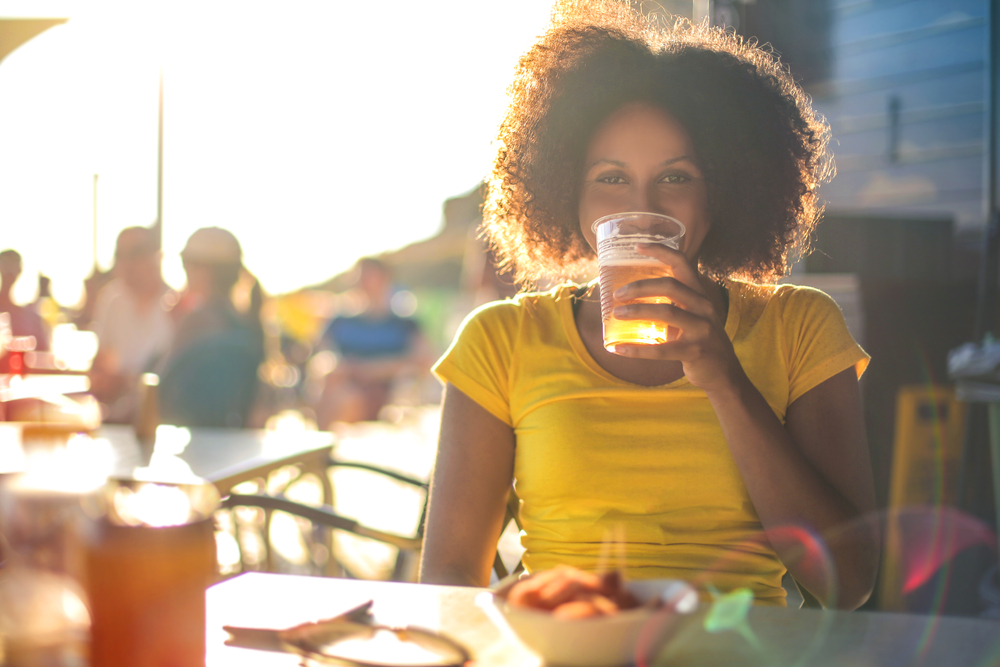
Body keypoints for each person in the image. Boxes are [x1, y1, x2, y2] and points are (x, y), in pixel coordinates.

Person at [419, 1, 879, 610]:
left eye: (677, 177)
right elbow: (448, 582)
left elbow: (848, 583)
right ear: (568, 195)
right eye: (610, 178)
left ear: (723, 193)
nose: (643, 207)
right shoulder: (502, 341)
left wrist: (725, 379)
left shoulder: (799, 328)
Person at [156, 227, 264, 427]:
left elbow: (159, 386)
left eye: (185, 264)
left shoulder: (196, 321)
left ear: (204, 271)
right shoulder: (246, 322)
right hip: (231, 439)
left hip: (194, 434)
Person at [313, 257, 430, 425]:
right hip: (346, 386)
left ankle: (323, 441)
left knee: (351, 400)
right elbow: (321, 355)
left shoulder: (404, 324)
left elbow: (424, 360)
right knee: (345, 395)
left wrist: (374, 370)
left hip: (390, 391)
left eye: (368, 276)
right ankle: (323, 439)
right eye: (359, 276)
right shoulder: (339, 321)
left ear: (385, 279)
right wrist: (337, 367)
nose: (362, 282)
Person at [89, 227, 176, 422]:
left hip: (159, 419)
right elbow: (101, 364)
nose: (127, 263)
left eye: (136, 253)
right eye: (120, 255)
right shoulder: (112, 299)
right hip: (115, 417)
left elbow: (172, 380)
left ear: (157, 256)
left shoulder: (176, 305)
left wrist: (125, 382)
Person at [0, 249, 50, 373]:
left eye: (13, 265)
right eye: (5, 265)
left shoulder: (31, 317)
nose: (9, 271)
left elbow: (44, 354)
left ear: (19, 271)